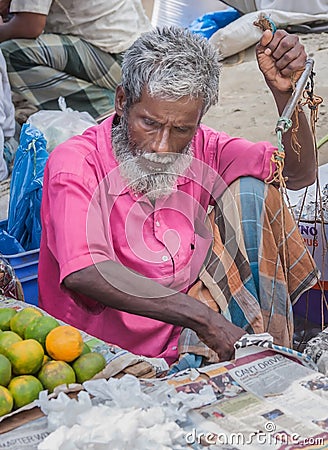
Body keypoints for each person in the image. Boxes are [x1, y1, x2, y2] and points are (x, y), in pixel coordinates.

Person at [38, 26, 319, 368]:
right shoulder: (76, 163)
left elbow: (298, 175)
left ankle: (267, 348)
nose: (161, 146)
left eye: (181, 130)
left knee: (254, 192)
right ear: (122, 101)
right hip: (104, 355)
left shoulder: (206, 147)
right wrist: (203, 319)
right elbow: (85, 271)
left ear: (198, 120)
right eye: (149, 123)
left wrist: (285, 97)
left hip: (187, 338)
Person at [0, 0, 152, 119]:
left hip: (121, 59)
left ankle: (108, 108)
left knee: (10, 54)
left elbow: (29, 26)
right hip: (141, 49)